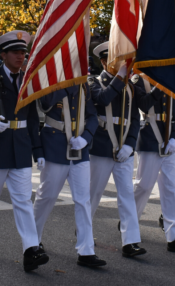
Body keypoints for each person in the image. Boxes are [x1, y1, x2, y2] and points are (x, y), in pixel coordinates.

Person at [0, 30, 48, 272]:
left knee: (23, 201)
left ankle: (31, 249)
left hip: (21, 147)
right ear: (2, 55)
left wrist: (38, 149)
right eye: (15, 52)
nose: (20, 56)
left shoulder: (27, 80)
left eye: (23, 52)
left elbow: (33, 117)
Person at [33, 84, 106, 268]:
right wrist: (66, 86)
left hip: (79, 148)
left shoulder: (84, 86)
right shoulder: (50, 81)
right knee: (46, 197)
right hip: (55, 145)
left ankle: (86, 250)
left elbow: (92, 116)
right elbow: (45, 103)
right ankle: (32, 242)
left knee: (83, 200)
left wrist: (86, 137)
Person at [87, 42, 146, 258]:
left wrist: (130, 143)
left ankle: (130, 241)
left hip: (124, 148)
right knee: (93, 194)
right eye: (118, 60)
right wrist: (119, 79)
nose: (124, 64)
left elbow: (136, 118)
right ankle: (84, 231)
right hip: (101, 147)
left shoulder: (130, 85)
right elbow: (103, 98)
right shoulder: (93, 81)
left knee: (126, 196)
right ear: (104, 61)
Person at [131, 74, 175, 253]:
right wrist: (161, 86)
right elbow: (143, 104)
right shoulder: (140, 79)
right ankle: (130, 221)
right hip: (150, 138)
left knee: (170, 187)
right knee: (144, 186)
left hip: (169, 139)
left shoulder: (174, 77)